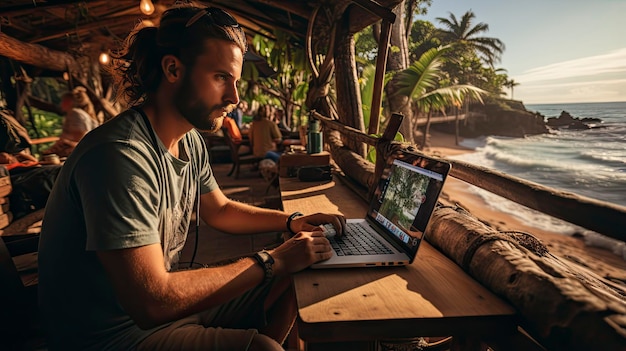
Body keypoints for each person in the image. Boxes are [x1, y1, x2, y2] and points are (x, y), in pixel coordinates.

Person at [38, 5, 344, 351]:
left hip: (157, 311)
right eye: (220, 78)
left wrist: (292, 221)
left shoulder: (189, 140)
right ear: (172, 68)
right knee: (265, 344)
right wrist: (272, 259)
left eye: (235, 81)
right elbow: (153, 301)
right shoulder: (120, 155)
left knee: (296, 275)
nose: (234, 97)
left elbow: (219, 209)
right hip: (107, 335)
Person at [41, 86, 100, 158]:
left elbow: (80, 137)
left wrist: (62, 144)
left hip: (79, 151)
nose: (61, 104)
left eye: (63, 101)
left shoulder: (75, 114)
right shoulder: (79, 113)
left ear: (70, 102)